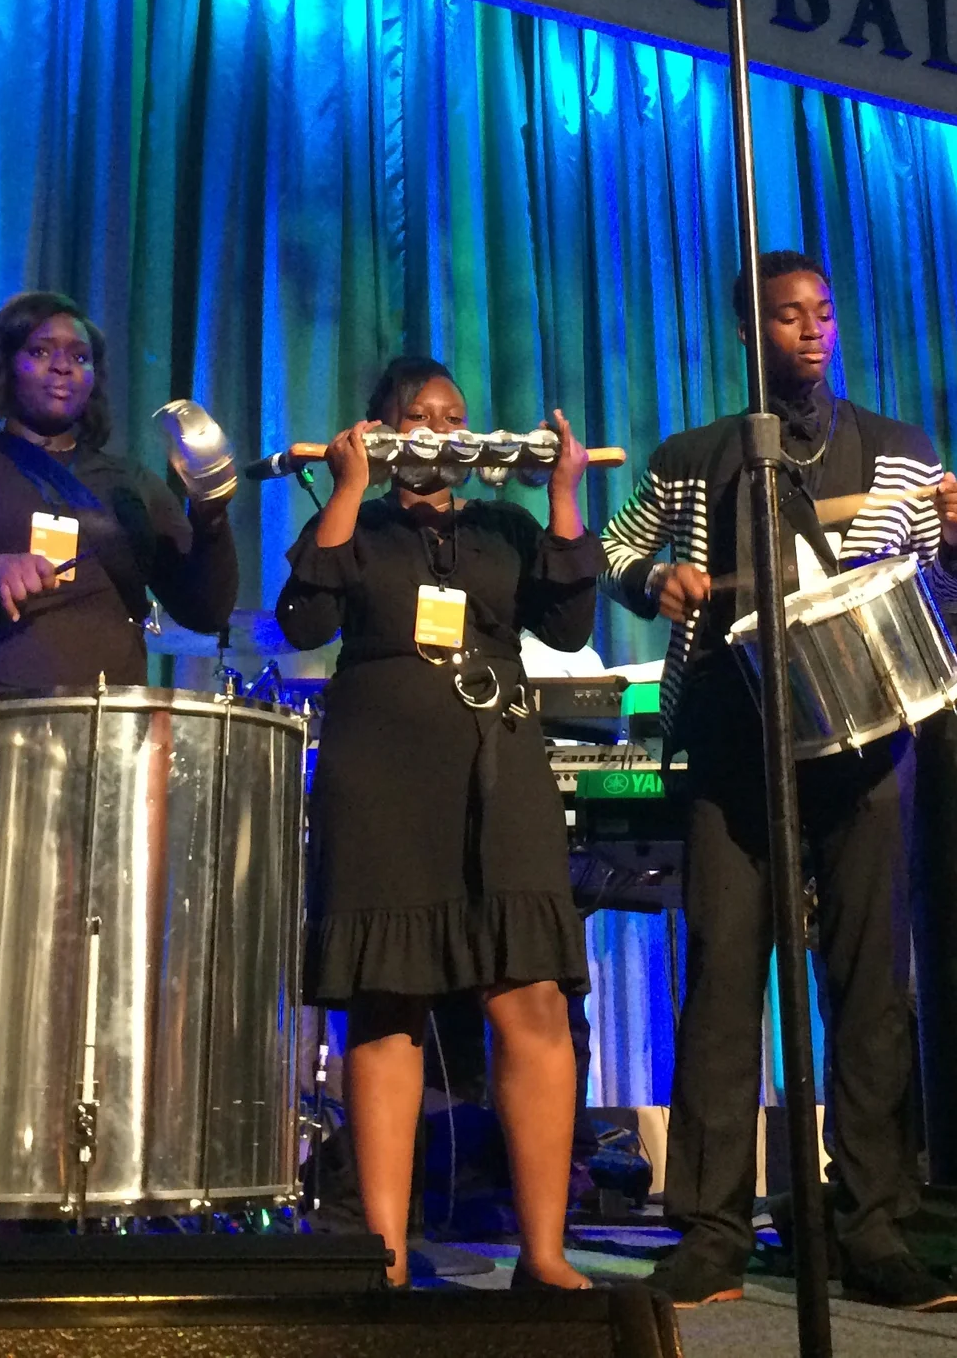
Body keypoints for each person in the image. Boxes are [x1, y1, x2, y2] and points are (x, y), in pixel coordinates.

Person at [602, 249, 957, 1312]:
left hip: (868, 741)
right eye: (787, 315)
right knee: (722, 986)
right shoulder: (695, 457)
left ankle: (873, 1227)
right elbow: (621, 550)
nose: (812, 329)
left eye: (822, 312)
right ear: (748, 332)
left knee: (871, 991)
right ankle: (712, 1232)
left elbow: (951, 589)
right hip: (733, 741)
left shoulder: (901, 454)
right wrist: (659, 576)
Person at [276, 354, 601, 1291]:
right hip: (381, 779)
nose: (441, 428)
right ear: (379, 430)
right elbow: (305, 620)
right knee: (388, 1002)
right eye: (418, 414)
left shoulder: (502, 525)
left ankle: (544, 1252)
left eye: (454, 415)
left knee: (530, 996)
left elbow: (570, 626)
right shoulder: (361, 524)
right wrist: (348, 487)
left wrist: (564, 494)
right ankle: (382, 1252)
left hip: (500, 769)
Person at [0, 291, 235, 687]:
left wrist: (211, 516)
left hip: (106, 719)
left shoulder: (132, 484)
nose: (63, 366)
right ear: (5, 367)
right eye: (40, 352)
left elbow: (206, 614)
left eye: (80, 357)